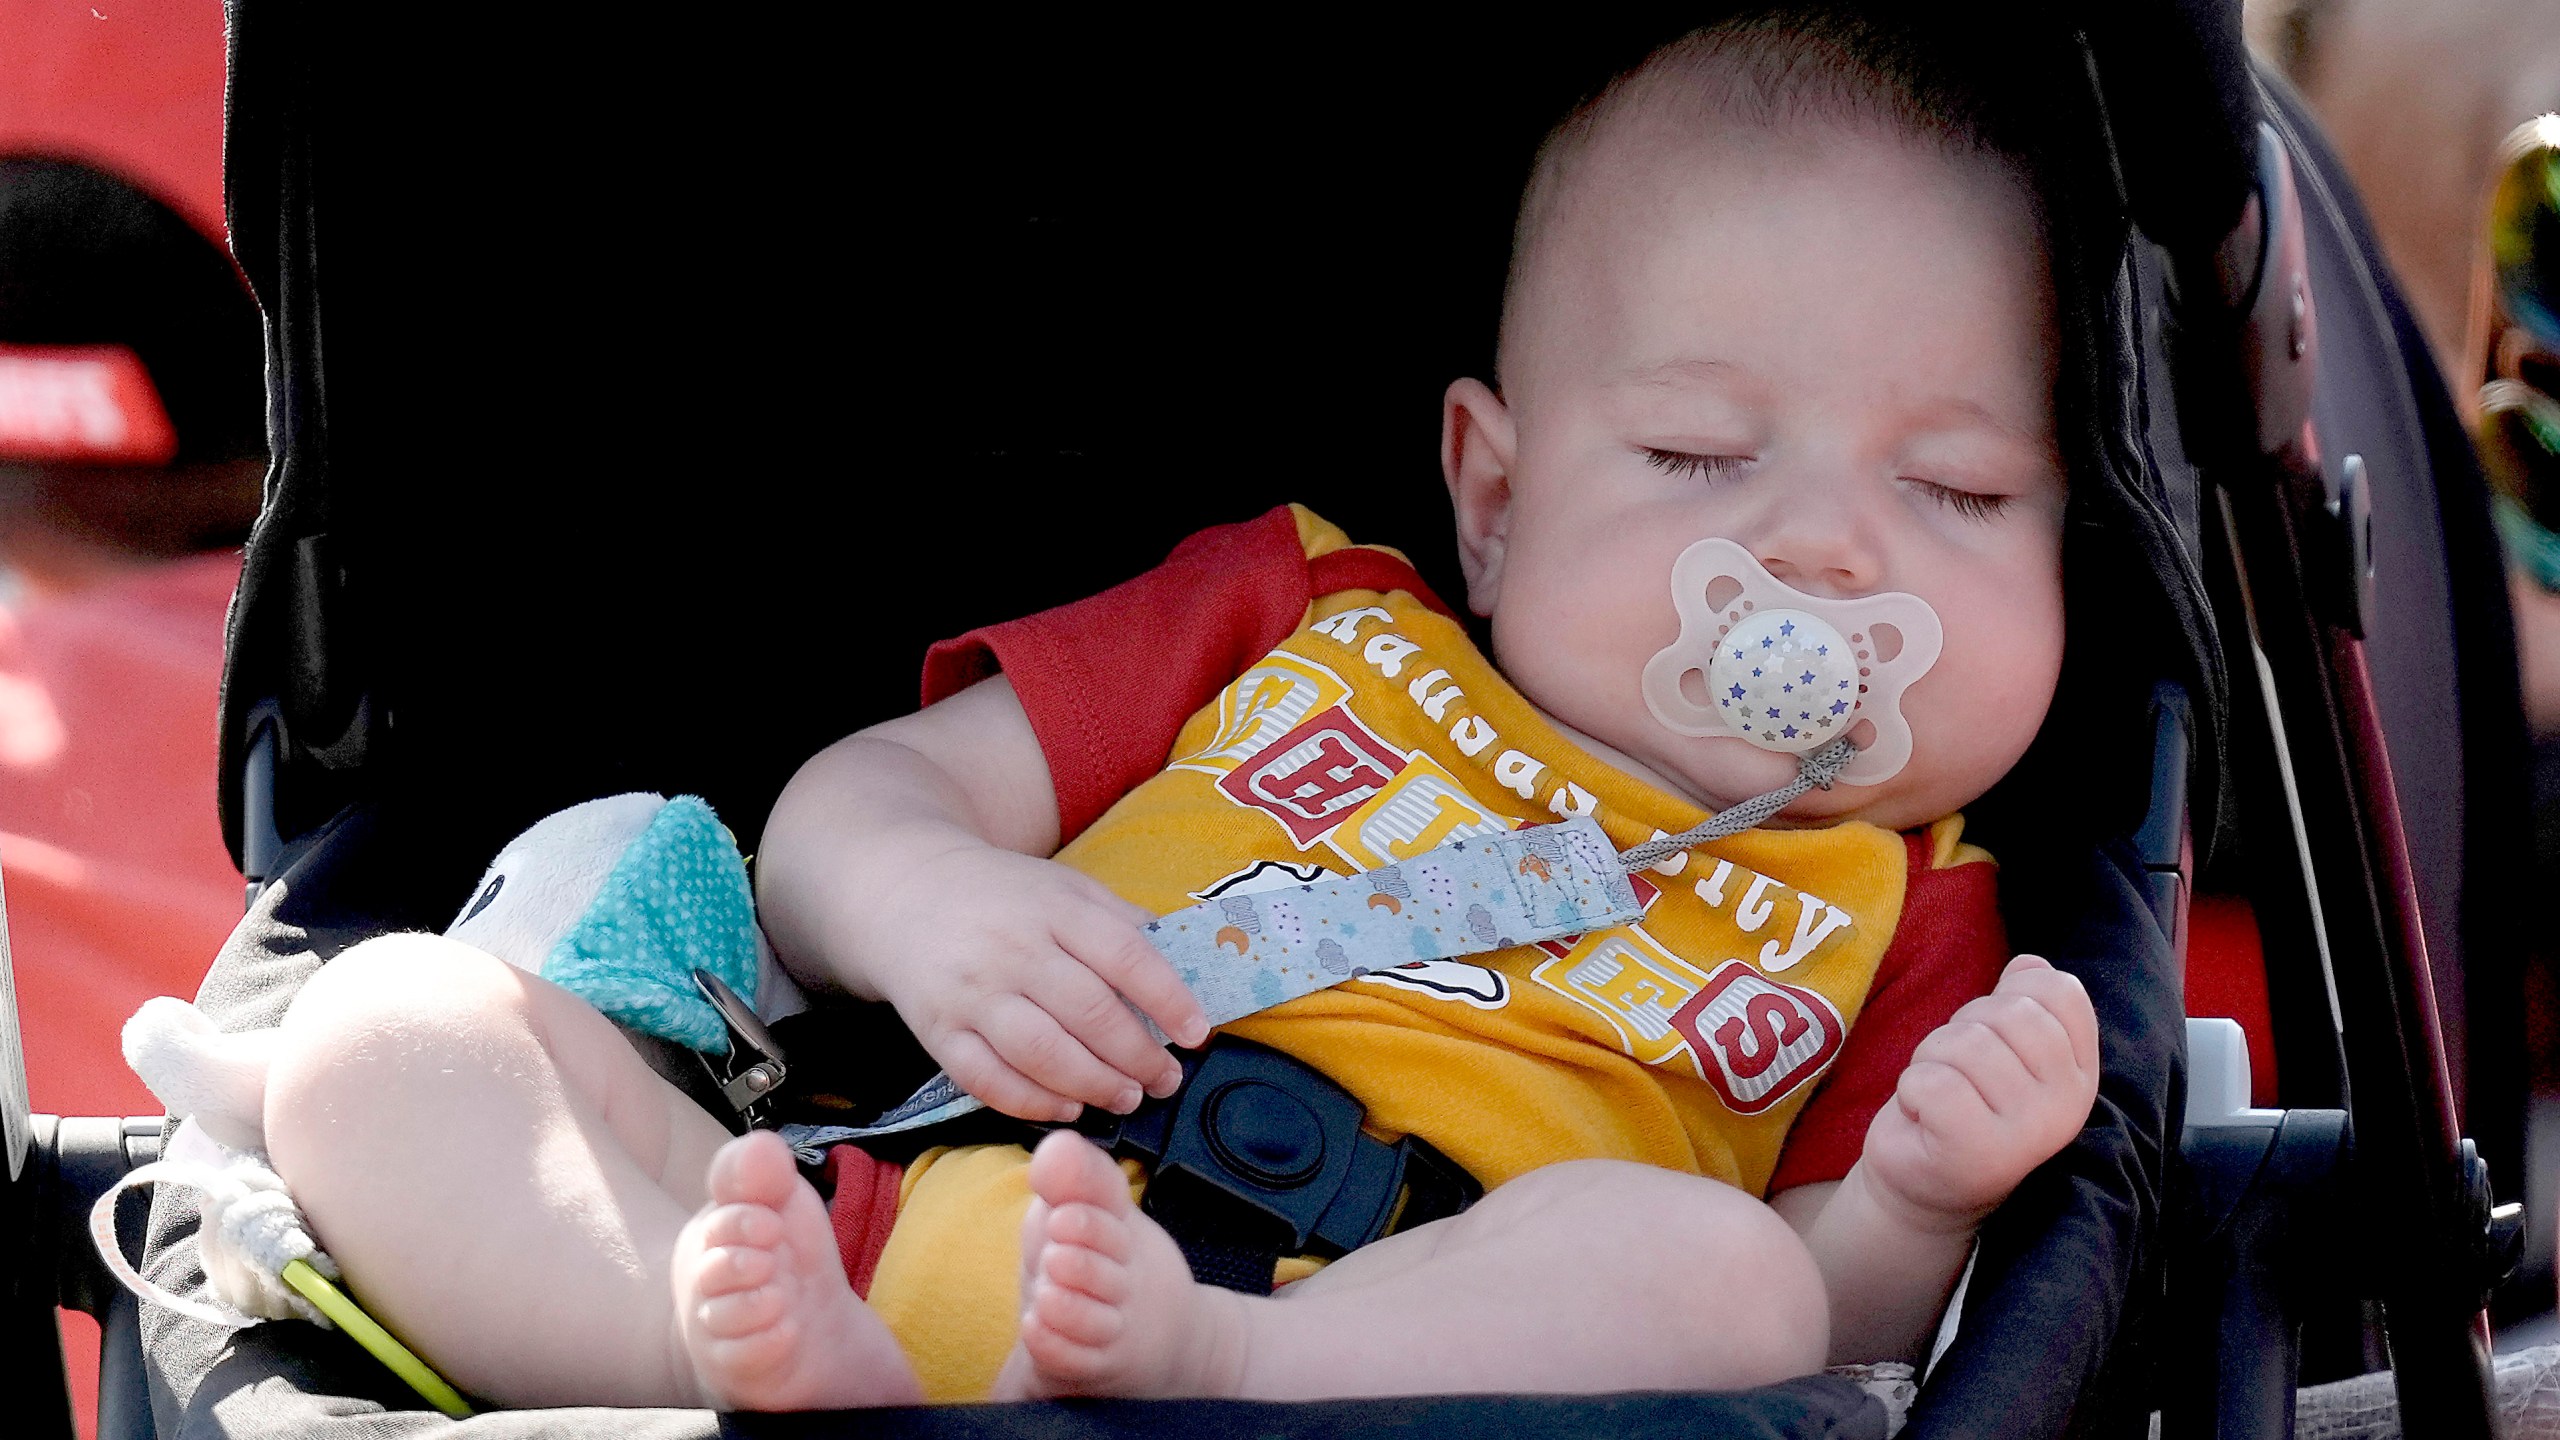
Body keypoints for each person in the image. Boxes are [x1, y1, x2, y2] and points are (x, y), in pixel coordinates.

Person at [254, 10, 2104, 1413]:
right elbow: (847, 815)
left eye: (1955, 493)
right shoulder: (1306, 615)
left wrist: (1923, 1203)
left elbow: (1836, 1342)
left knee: (1728, 1287)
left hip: (1362, 1344)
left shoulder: (1907, 905)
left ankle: (1207, 1368)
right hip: (894, 1199)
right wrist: (936, 908)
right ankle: (689, 1337)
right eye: (1701, 456)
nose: (1830, 557)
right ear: (1497, 498)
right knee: (380, 1037)